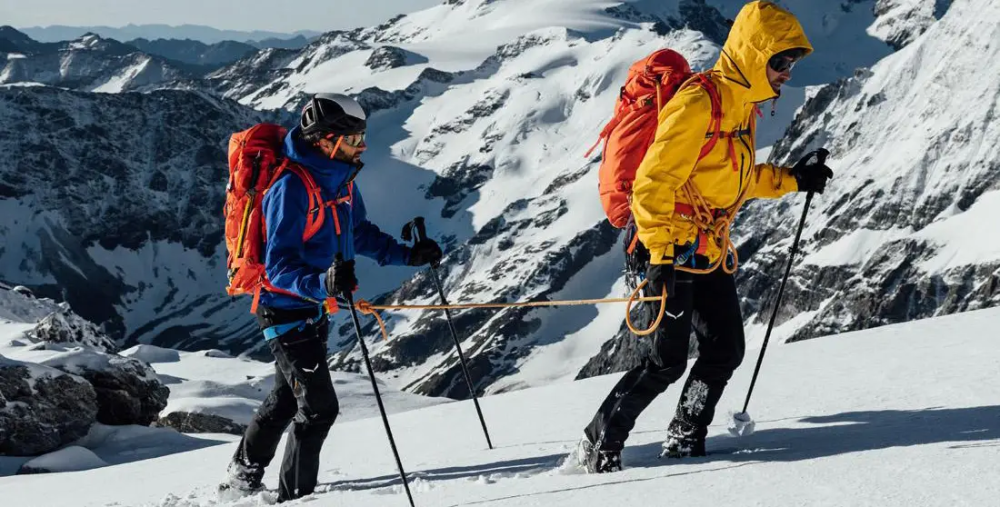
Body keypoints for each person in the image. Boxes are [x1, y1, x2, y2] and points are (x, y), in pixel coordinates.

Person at [574, 1, 834, 473]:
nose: (787, 73)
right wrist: (660, 252)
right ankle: (598, 444)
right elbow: (653, 183)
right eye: (779, 61)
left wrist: (792, 179)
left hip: (706, 249)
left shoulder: (741, 110)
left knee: (725, 349)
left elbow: (730, 180)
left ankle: (685, 435)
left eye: (792, 63)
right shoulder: (700, 102)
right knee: (664, 361)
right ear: (754, 55)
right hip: (666, 250)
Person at [220, 93, 443, 500]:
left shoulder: (339, 178)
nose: (363, 147)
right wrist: (322, 283)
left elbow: (357, 232)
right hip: (284, 311)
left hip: (313, 308)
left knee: (288, 397)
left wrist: (408, 254)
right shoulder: (291, 187)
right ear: (325, 140)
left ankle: (241, 477)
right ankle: (297, 496)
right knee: (320, 408)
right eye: (354, 139)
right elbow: (278, 266)